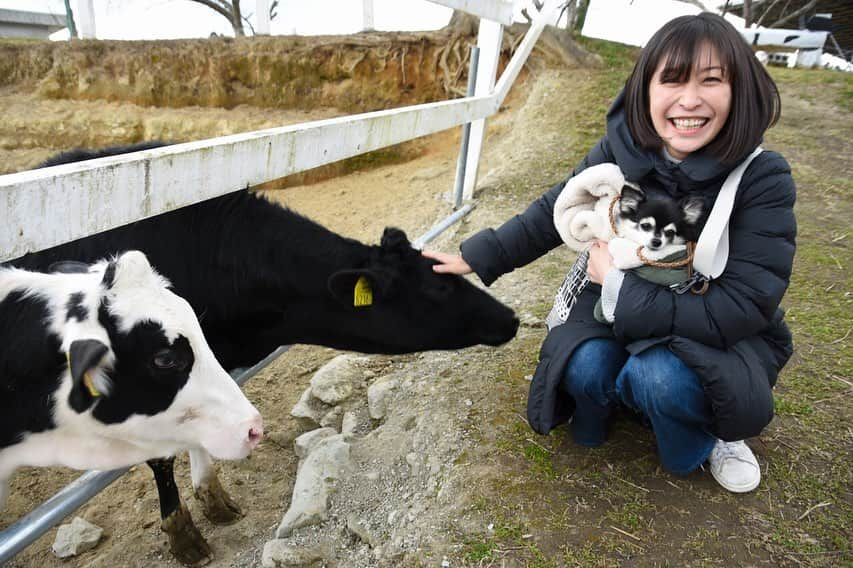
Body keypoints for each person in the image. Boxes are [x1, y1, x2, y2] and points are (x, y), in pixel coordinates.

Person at [423, 12, 796, 493]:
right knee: (583, 365)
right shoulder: (621, 150)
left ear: (738, 91)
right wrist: (476, 257)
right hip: (617, 314)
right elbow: (554, 211)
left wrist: (619, 287)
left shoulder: (762, 178)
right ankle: (637, 396)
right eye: (673, 80)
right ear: (645, 90)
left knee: (660, 377)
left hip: (713, 328)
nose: (689, 100)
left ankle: (710, 434)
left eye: (711, 81)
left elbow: (744, 305)